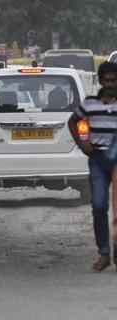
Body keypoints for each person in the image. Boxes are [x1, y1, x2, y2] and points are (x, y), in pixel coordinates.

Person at [68, 61, 117, 271]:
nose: (110, 84)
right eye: (106, 80)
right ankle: (104, 252)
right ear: (100, 81)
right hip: (97, 159)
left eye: (114, 81)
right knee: (98, 205)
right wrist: (81, 142)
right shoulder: (89, 103)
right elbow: (72, 122)